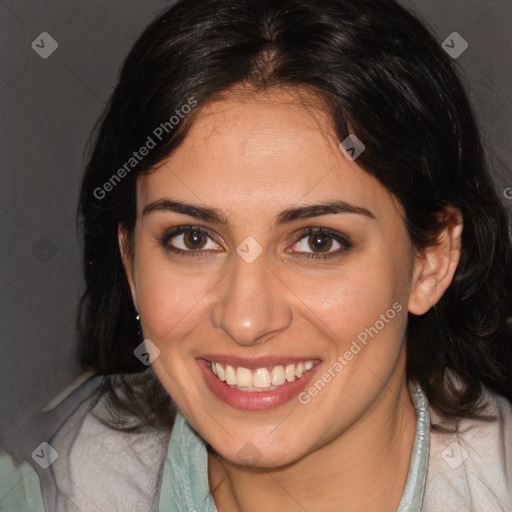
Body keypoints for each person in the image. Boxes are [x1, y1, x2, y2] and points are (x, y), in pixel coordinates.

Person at [1, 0, 511, 510]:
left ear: (431, 262)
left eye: (318, 241)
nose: (246, 320)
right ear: (131, 263)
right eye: (193, 239)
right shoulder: (41, 488)